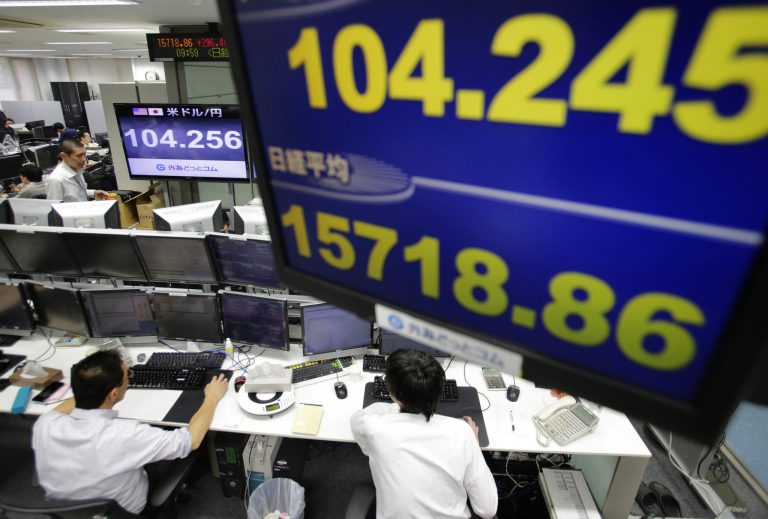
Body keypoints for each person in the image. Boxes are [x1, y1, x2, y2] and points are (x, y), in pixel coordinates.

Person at [32, 350, 229, 515]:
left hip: (67, 510)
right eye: (128, 376)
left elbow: (69, 405)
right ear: (114, 394)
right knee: (191, 445)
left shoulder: (46, 424)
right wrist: (211, 398)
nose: (130, 378)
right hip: (123, 512)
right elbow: (191, 440)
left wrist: (91, 384)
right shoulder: (125, 435)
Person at [351, 349, 498, 519]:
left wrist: (396, 406)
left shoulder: (374, 428)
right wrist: (473, 444)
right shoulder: (462, 433)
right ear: (438, 393)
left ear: (393, 393)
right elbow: (487, 510)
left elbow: (358, 418)